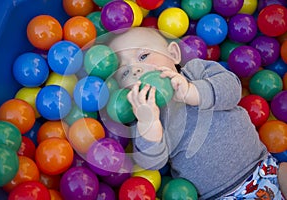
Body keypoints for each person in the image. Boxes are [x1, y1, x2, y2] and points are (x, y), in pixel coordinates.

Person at [107, 27, 287, 199]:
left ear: (173, 54)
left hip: (266, 168)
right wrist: (149, 123)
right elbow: (152, 163)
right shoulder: (142, 116)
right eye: (125, 72)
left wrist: (193, 92)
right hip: (220, 195)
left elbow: (233, 89)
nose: (136, 70)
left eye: (143, 56)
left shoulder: (194, 71)